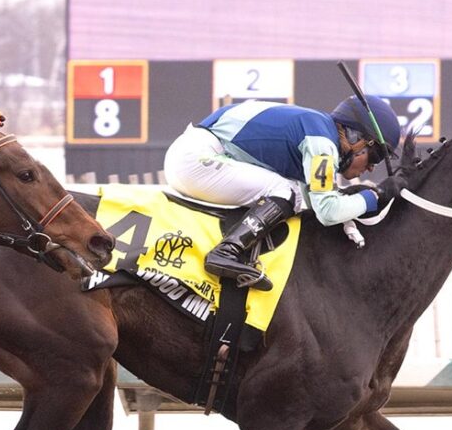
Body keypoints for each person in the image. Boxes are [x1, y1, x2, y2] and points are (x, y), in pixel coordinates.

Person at [163, 95, 403, 291]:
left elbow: (315, 197)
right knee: (286, 192)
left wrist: (349, 203)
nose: (372, 167)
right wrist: (375, 196)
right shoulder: (322, 143)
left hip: (194, 155)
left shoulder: (317, 128)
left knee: (293, 191)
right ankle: (227, 251)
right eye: (376, 157)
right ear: (357, 139)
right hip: (195, 160)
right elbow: (327, 211)